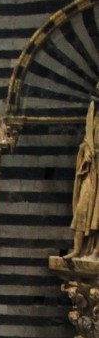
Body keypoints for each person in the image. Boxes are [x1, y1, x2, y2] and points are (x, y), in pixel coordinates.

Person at [69, 85, 99, 260]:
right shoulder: (92, 113)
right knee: (82, 209)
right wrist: (85, 150)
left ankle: (96, 252)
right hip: (91, 169)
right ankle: (78, 249)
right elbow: (87, 141)